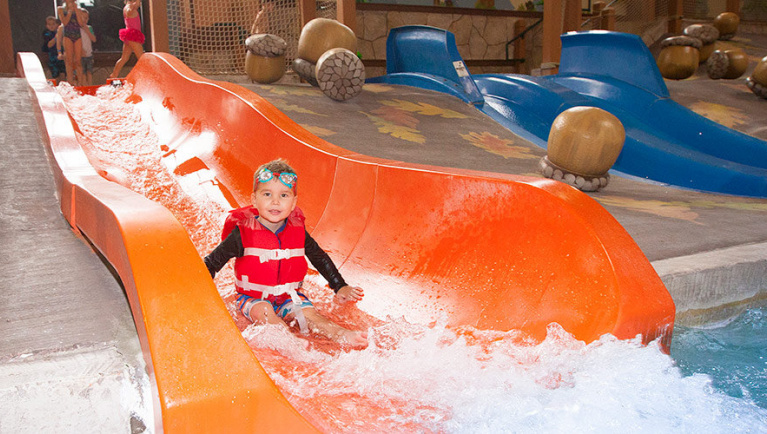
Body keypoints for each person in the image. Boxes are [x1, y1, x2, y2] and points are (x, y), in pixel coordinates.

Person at [204, 159, 368, 348]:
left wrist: (340, 286)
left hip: (290, 295)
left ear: (293, 202)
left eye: (284, 195)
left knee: (309, 314)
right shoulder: (242, 234)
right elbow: (211, 264)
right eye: (267, 194)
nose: (275, 201)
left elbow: (319, 257)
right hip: (252, 298)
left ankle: (343, 335)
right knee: (264, 311)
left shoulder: (297, 231)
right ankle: (293, 344)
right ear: (254, 199)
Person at [110, 0, 144, 78]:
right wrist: (132, 8)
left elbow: (137, 5)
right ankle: (142, 74)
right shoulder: (130, 7)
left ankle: (114, 74)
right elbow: (131, 9)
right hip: (133, 36)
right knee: (141, 57)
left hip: (129, 36)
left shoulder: (128, 6)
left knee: (124, 58)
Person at [57, 0, 86, 84]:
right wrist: (69, 11)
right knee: (69, 61)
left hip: (77, 35)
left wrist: (76, 10)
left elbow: (81, 23)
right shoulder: (61, 9)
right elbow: (64, 22)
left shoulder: (79, 9)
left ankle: (80, 83)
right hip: (67, 35)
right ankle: (70, 82)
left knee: (78, 61)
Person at [42, 16, 66, 82]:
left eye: (53, 24)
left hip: (60, 55)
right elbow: (49, 45)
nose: (51, 26)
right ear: (46, 25)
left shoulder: (59, 31)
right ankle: (57, 85)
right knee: (55, 74)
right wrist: (56, 38)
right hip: (52, 56)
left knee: (63, 72)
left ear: (57, 25)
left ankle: (63, 85)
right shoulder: (47, 34)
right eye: (49, 24)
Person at [79, 9, 96, 86]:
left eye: (86, 18)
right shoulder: (77, 29)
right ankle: (84, 85)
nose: (84, 20)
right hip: (80, 54)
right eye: (82, 17)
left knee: (89, 71)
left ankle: (90, 85)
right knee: (82, 72)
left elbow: (94, 39)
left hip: (89, 54)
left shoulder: (89, 28)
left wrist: (88, 31)